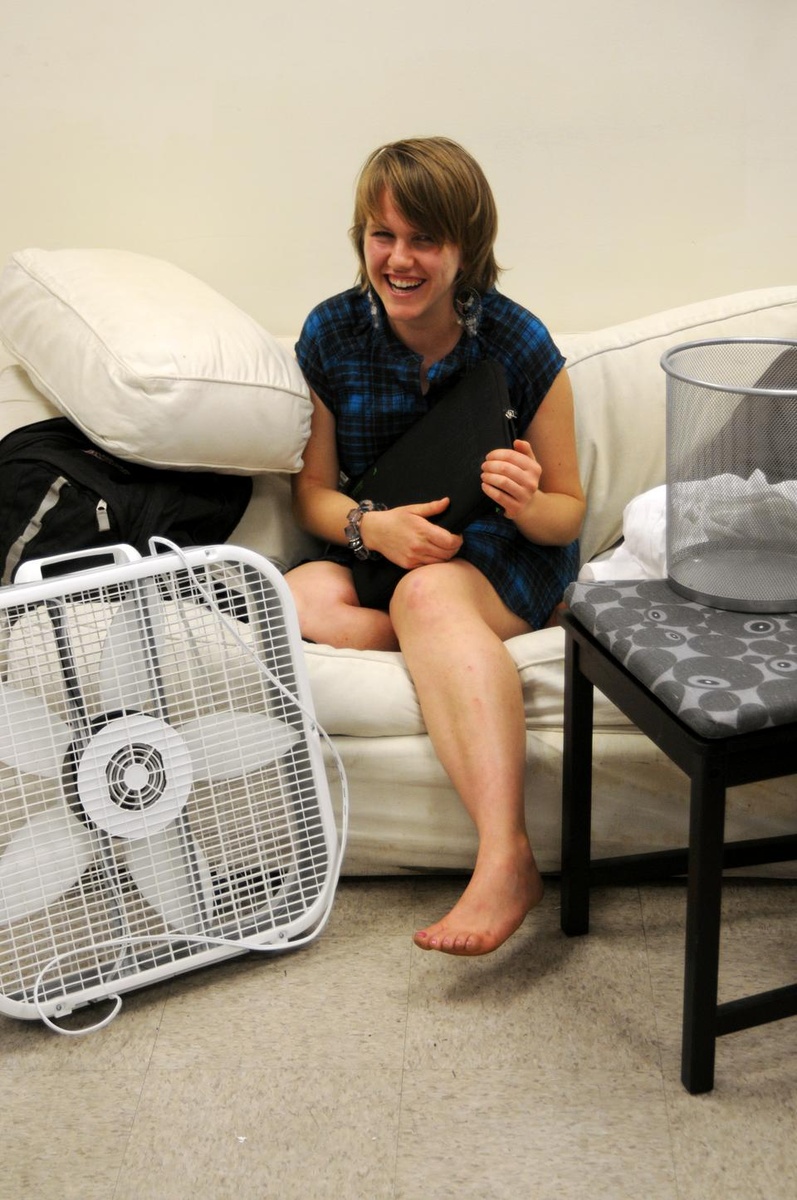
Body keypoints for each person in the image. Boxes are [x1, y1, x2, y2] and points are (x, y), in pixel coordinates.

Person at [286, 136, 585, 956]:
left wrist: (526, 501)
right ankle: (451, 644)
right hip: (384, 541)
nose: (399, 259)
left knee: (427, 595)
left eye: (424, 239)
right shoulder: (332, 334)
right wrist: (369, 526)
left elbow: (566, 513)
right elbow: (312, 494)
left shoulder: (517, 341)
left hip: (499, 550)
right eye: (382, 235)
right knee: (299, 598)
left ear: (465, 247)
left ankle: (505, 858)